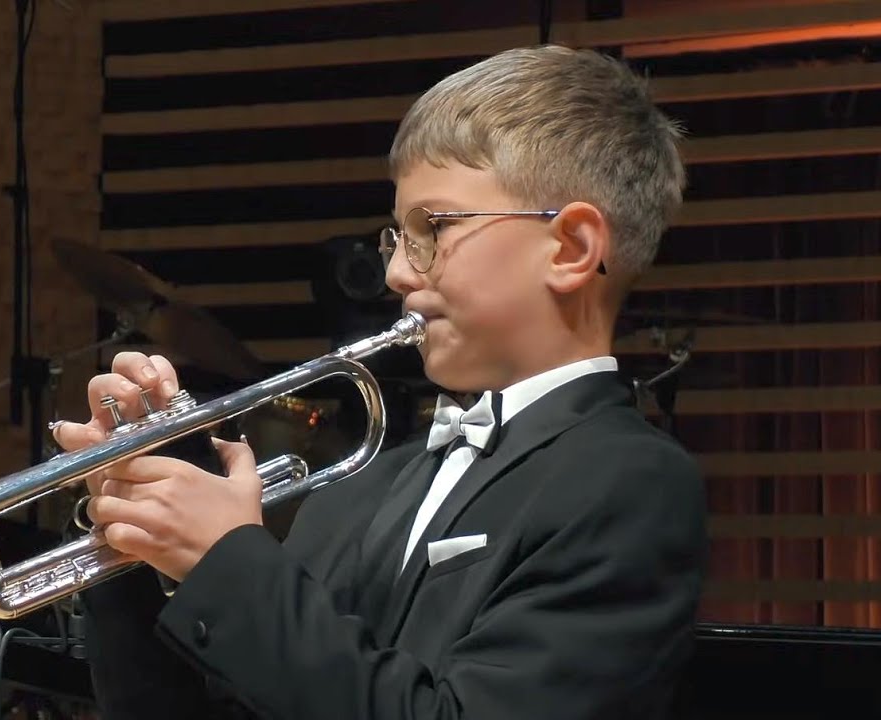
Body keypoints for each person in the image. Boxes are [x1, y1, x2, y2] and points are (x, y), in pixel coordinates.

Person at [52, 44, 709, 720]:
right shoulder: (359, 487)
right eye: (397, 235)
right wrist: (142, 545)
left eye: (434, 228)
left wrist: (226, 562)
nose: (396, 273)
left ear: (570, 249)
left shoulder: (628, 482)